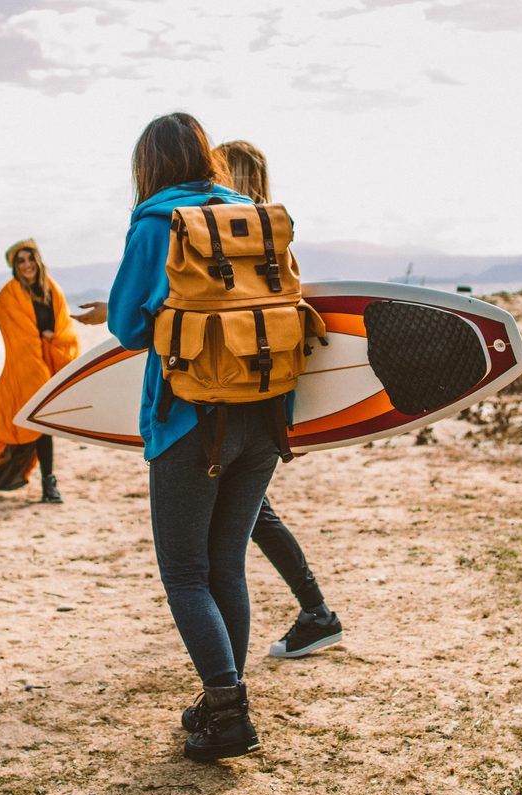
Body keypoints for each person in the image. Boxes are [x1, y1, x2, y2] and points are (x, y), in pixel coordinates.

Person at [106, 113, 279, 762]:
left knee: (184, 571)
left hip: (190, 419)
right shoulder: (251, 212)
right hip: (264, 415)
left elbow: (126, 324)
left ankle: (228, 711)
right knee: (224, 562)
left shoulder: (157, 221)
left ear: (147, 165)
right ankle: (220, 698)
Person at [212, 140, 345, 660]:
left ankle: (316, 611)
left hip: (238, 400)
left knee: (252, 515)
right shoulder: (274, 247)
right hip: (263, 403)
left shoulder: (232, 246)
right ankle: (314, 612)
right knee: (251, 513)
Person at [0, 239, 81, 504]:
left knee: (39, 419)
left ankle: (45, 484)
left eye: (29, 259)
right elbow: (1, 331)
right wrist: (37, 338)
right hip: (15, 367)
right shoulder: (9, 294)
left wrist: (51, 338)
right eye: (20, 261)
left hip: (40, 366)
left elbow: (63, 329)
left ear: (38, 260)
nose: (26, 265)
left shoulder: (52, 291)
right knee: (14, 420)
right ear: (14, 267)